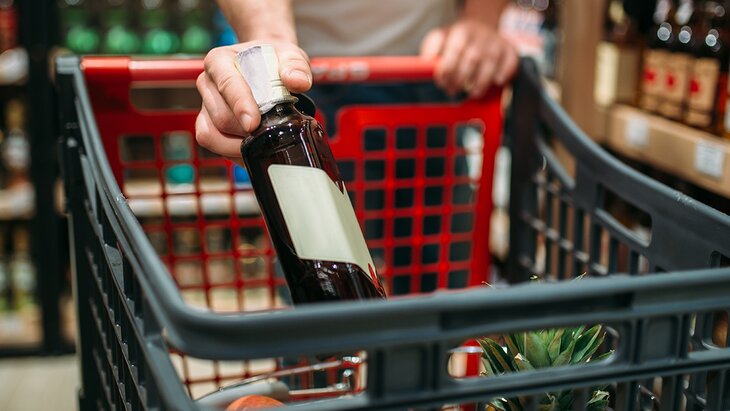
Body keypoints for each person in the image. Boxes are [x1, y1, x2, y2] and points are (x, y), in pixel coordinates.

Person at [195, 0, 519, 159]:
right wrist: (270, 42)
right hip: (310, 85)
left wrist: (482, 18)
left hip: (435, 77)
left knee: (444, 260)